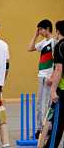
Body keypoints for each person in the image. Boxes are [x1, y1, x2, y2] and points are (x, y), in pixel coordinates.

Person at [27, 19, 57, 138]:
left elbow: (57, 61)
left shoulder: (54, 42)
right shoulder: (44, 42)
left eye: (40, 29)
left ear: (47, 29)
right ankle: (40, 128)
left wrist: (53, 77)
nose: (39, 32)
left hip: (49, 77)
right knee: (40, 104)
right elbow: (29, 48)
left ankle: (46, 129)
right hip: (41, 76)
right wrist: (35, 35)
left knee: (47, 105)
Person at [45, 20, 64, 148]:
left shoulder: (60, 45)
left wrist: (52, 90)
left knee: (57, 122)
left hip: (62, 90)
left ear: (57, 31)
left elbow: (59, 68)